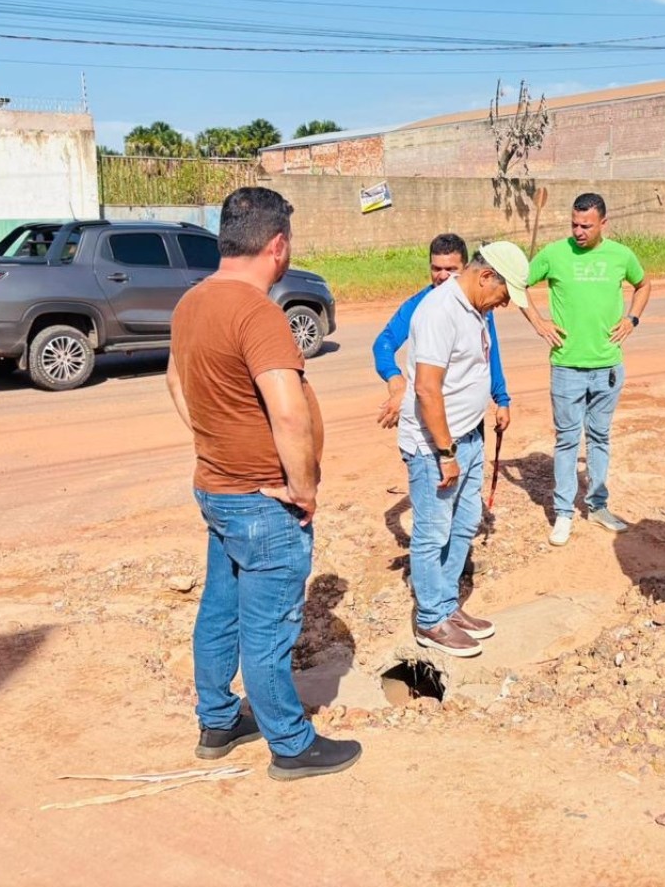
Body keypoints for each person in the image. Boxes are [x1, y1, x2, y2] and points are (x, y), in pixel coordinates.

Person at [167, 186, 361, 781]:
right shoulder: (258, 312)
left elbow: (175, 384)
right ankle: (291, 744)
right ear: (278, 246)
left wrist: (218, 443)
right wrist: (301, 488)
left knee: (220, 611)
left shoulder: (191, 303)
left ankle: (218, 720)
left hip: (218, 490)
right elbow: (289, 410)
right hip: (262, 501)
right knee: (268, 626)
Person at [400, 242, 530, 658]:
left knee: (464, 522)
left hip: (469, 436)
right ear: (486, 276)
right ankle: (430, 620)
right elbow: (426, 388)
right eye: (504, 295)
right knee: (433, 530)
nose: (504, 304)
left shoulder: (474, 309)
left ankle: (447, 605)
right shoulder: (440, 311)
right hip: (437, 446)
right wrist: (445, 451)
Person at [521, 194, 651, 546]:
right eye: (574, 225)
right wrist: (539, 322)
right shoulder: (553, 254)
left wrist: (631, 319)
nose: (578, 231)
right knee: (566, 440)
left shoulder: (621, 255)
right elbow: (517, 284)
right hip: (566, 366)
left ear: (603, 224)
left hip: (607, 365)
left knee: (599, 437)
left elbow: (643, 284)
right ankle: (563, 513)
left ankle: (597, 506)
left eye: (586, 226)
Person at [373, 233, 510, 434]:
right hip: (435, 418)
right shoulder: (423, 304)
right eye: (437, 268)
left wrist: (502, 399)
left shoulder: (481, 306)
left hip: (470, 420)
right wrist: (395, 379)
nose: (443, 275)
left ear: (467, 269)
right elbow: (383, 343)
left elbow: (490, 356)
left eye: (451, 269)